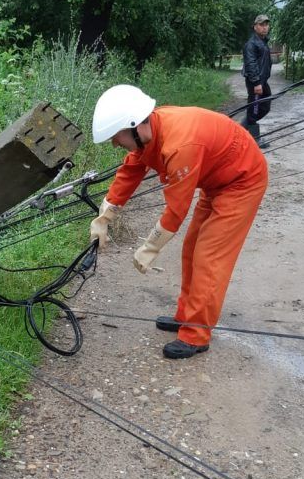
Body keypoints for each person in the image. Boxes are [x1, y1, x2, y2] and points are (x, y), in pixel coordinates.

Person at [88, 85, 268, 360]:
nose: (114, 143)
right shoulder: (153, 129)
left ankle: (196, 334)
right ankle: (186, 315)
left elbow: (176, 210)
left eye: (116, 136)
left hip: (241, 182)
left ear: (135, 125)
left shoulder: (179, 144)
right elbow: (131, 169)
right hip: (216, 181)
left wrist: (149, 247)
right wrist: (105, 214)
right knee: (191, 248)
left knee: (209, 256)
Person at [241, 14, 273, 148]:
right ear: (255, 27)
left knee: (265, 106)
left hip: (262, 81)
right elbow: (251, 63)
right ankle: (254, 139)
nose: (264, 27)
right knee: (254, 108)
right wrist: (256, 83)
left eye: (266, 24)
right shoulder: (251, 44)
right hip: (256, 82)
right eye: (261, 25)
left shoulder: (263, 42)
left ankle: (242, 128)